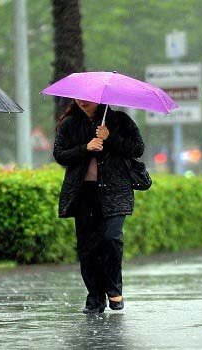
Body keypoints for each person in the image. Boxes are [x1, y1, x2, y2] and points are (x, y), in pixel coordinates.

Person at [53, 99, 144, 314]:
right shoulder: (70, 124)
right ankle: (94, 296)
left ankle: (114, 289)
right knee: (88, 247)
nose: (83, 101)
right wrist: (85, 147)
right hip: (83, 192)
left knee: (111, 238)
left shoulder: (119, 120)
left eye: (88, 98)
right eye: (78, 97)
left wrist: (109, 137)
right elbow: (60, 155)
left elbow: (137, 149)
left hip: (115, 191)